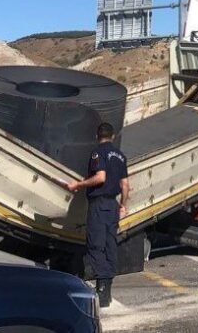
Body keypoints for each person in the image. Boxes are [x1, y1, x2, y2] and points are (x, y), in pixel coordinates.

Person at [65, 122, 129, 308]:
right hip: (113, 205)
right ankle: (106, 290)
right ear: (113, 136)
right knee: (110, 246)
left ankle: (102, 288)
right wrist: (123, 206)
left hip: (99, 205)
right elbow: (125, 185)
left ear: (97, 136)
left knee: (95, 246)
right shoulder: (120, 156)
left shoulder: (97, 152)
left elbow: (100, 177)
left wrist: (78, 184)